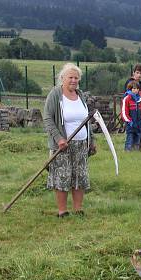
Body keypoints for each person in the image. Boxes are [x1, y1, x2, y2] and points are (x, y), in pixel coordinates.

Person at [43, 62, 95, 218]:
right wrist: (59, 139)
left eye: (76, 78)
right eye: (70, 77)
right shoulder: (55, 94)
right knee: (62, 176)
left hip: (81, 144)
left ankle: (78, 209)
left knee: (80, 175)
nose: (74, 80)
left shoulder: (81, 95)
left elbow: (86, 119)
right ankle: (62, 211)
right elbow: (48, 118)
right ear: (62, 78)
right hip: (63, 145)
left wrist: (91, 140)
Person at [123, 64, 141, 150]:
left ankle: (139, 150)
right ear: (133, 73)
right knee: (131, 134)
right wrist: (128, 117)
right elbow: (127, 99)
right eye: (137, 72)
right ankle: (130, 151)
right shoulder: (130, 83)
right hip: (132, 113)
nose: (139, 75)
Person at [121, 80, 141, 151]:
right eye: (134, 88)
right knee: (130, 140)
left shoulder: (139, 99)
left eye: (137, 88)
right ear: (130, 89)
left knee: (137, 140)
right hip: (131, 124)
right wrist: (129, 121)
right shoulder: (127, 98)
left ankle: (135, 153)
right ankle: (127, 152)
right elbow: (124, 112)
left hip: (139, 124)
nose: (136, 90)